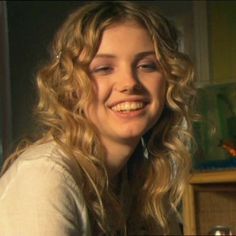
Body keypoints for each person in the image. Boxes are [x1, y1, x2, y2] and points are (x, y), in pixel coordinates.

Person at [0, 1, 196, 235]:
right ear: (71, 86)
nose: (129, 83)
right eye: (104, 68)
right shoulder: (43, 176)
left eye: (147, 65)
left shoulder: (142, 182)